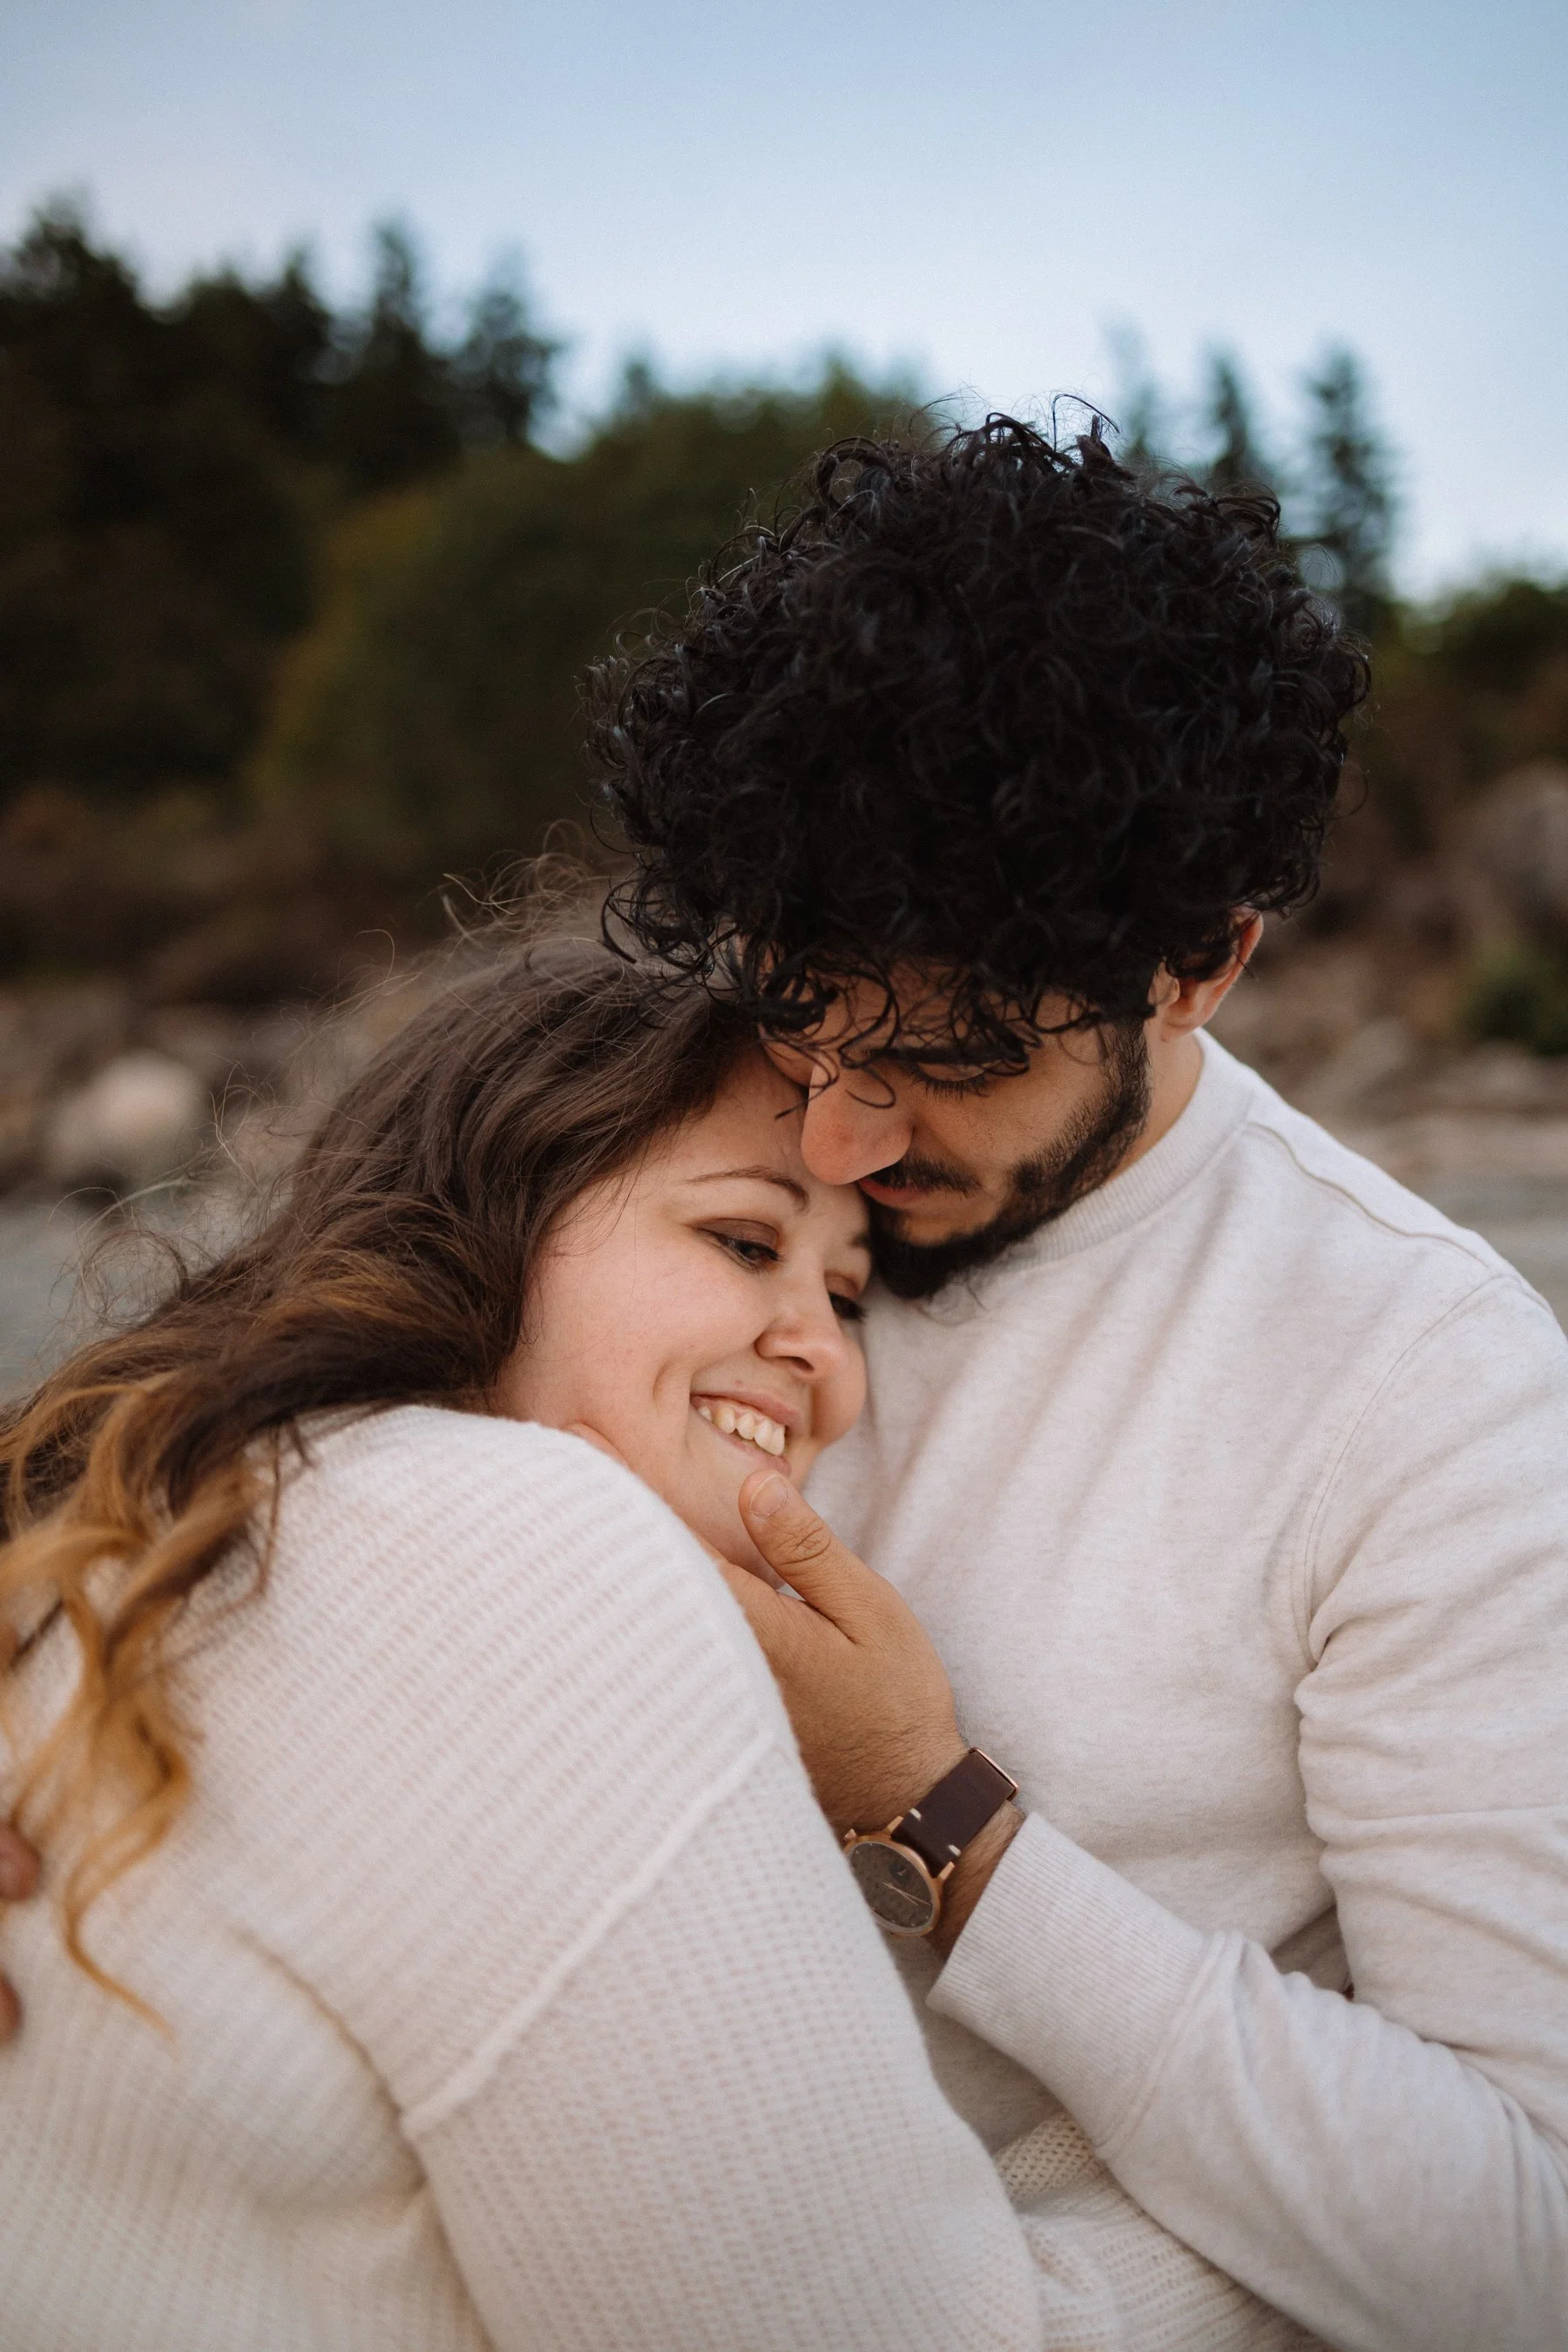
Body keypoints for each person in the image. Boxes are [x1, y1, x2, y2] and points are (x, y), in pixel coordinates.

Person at [592, 416, 1568, 2351]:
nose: (843, 1140)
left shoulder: (1429, 1387)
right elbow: (272, 1386)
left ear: (1200, 961)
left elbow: (1519, 2238)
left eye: (951, 1060)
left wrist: (937, 1828)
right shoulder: (647, 1119)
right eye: (802, 1007)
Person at [1, 930, 1187, 2352]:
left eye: (849, 1293)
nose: (827, 1356)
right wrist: (1307, 2242)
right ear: (492, 1218)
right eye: (744, 1240)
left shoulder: (179, 1522)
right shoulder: (530, 1548)